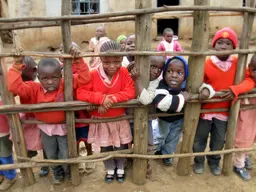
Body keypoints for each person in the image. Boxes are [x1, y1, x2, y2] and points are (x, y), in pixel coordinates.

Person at [8, 45, 91, 184]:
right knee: (51, 153)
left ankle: (70, 171)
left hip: (65, 127)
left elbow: (85, 78)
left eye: (54, 77)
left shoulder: (66, 83)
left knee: (66, 153)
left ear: (61, 76)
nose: (50, 81)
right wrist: (17, 64)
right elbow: (14, 87)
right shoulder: (34, 88)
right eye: (45, 78)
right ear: (38, 77)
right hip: (45, 129)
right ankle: (57, 172)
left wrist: (79, 60)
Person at [193, 27, 255, 176]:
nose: (223, 46)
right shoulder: (206, 64)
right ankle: (198, 161)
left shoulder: (237, 63)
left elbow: (250, 80)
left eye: (228, 43)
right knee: (199, 138)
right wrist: (204, 88)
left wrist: (237, 89)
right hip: (205, 111)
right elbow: (198, 82)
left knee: (218, 141)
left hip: (224, 111)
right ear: (213, 45)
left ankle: (214, 162)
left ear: (234, 47)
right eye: (220, 42)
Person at [77, 41, 136, 183]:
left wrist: (112, 99)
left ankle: (120, 168)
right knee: (106, 148)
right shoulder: (92, 74)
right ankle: (110, 170)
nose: (112, 66)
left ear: (122, 60)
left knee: (120, 146)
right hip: (101, 121)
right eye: (107, 62)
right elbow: (81, 93)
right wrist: (100, 99)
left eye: (116, 61)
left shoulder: (123, 72)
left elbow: (131, 91)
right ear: (101, 59)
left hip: (119, 119)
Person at [153, 56, 190, 166]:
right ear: (164, 74)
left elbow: (201, 86)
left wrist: (206, 90)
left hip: (179, 119)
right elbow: (162, 103)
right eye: (169, 71)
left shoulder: (187, 86)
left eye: (179, 73)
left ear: (185, 76)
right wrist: (182, 98)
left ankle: (167, 154)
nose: (173, 75)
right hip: (164, 118)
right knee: (160, 135)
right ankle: (155, 150)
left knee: (173, 137)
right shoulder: (162, 85)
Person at [20, 56, 49, 177]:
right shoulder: (22, 80)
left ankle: (46, 164)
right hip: (29, 115)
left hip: (41, 116)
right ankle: (31, 151)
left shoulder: (39, 81)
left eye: (23, 69)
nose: (20, 73)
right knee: (23, 134)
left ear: (33, 69)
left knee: (45, 142)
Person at [233, 55, 256, 181]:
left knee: (251, 138)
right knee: (244, 139)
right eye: (255, 70)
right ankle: (239, 165)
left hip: (254, 117)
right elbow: (245, 86)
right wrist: (234, 90)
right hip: (247, 116)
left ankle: (245, 157)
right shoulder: (247, 80)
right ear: (249, 68)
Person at [0, 101, 16, 191]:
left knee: (5, 156)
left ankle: (10, 177)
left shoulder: (3, 98)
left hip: (2, 132)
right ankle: (1, 174)